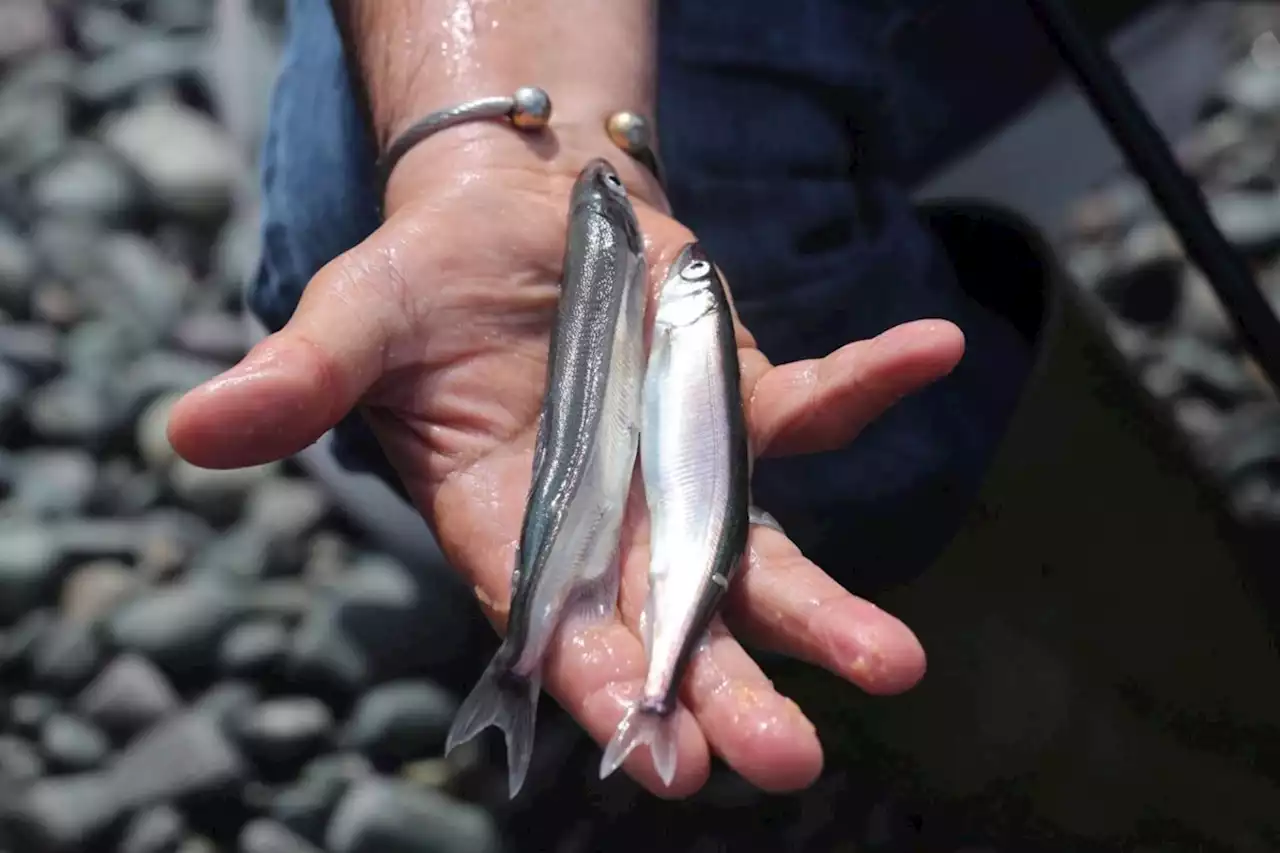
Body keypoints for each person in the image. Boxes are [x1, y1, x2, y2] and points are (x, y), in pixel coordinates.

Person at [167, 0, 1033, 798]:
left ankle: (961, 533)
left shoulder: (625, 265)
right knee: (344, 213)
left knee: (789, 305)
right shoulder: (615, 253)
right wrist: (484, 155)